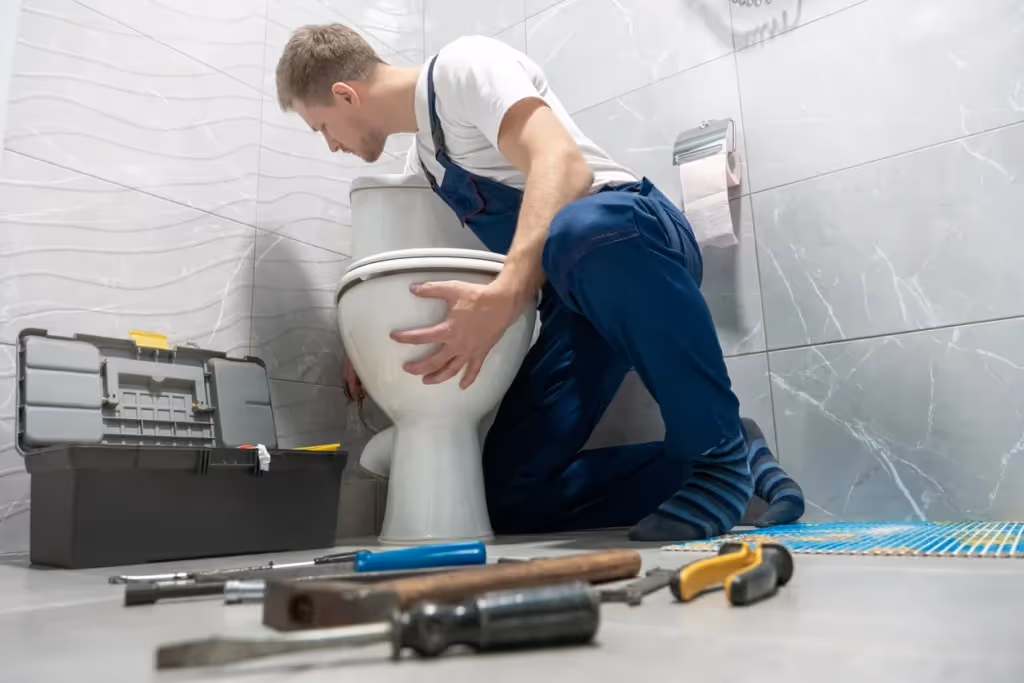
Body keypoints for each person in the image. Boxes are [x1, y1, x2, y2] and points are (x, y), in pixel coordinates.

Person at [275, 24, 805, 540]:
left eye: (321, 128)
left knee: (579, 230)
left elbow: (564, 166)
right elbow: (408, 253)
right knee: (508, 495)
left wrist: (507, 294)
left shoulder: (465, 67)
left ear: (345, 96)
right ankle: (734, 456)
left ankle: (716, 456)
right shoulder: (428, 163)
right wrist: (366, 340)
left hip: (632, 237)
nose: (331, 146)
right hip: (574, 299)